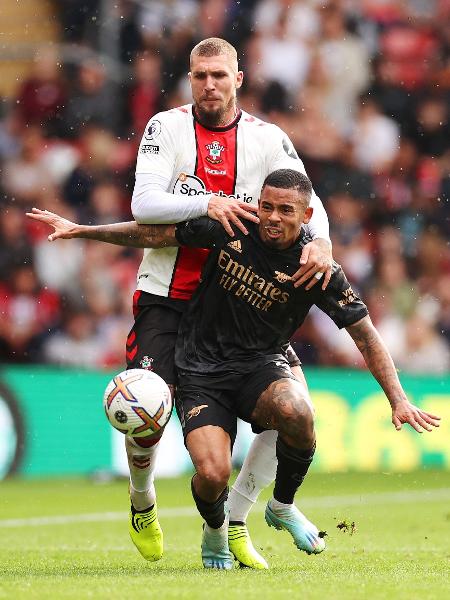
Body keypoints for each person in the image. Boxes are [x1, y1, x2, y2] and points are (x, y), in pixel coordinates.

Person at [28, 169, 441, 570]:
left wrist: (398, 398)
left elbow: (366, 336)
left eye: (285, 210)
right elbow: (155, 234)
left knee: (299, 413)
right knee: (211, 474)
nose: (273, 218)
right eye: (267, 207)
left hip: (261, 367)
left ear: (307, 216)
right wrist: (83, 229)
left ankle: (281, 506)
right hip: (199, 368)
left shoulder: (318, 269)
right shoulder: (233, 226)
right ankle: (215, 529)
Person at [28, 36, 334, 570]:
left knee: (291, 407)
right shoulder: (165, 128)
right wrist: (208, 202)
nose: (209, 85)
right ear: (189, 79)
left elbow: (312, 202)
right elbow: (144, 204)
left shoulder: (266, 139)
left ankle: (241, 519)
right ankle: (142, 501)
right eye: (199, 76)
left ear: (239, 79)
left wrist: (323, 241)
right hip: (167, 297)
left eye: (219, 75)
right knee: (145, 403)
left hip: (236, 301)